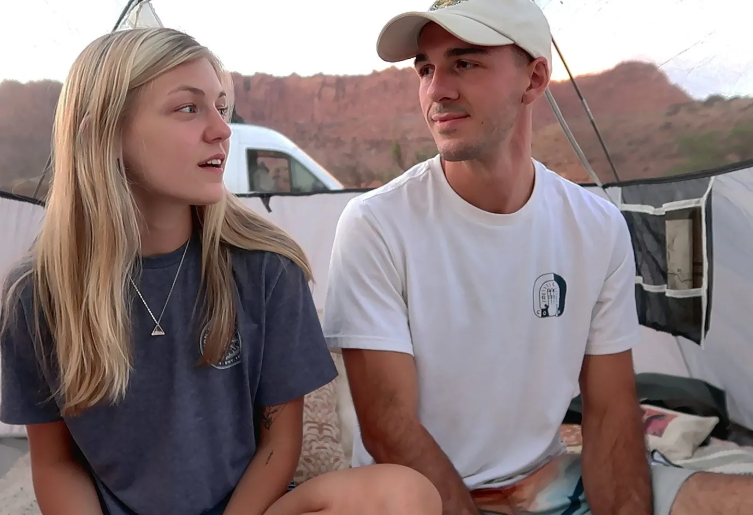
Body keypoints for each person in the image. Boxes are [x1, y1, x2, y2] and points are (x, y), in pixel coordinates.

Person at [322, 1, 753, 515]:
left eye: (465, 63)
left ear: (534, 78)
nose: (437, 90)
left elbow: (611, 413)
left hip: (545, 482)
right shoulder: (376, 224)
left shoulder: (595, 227)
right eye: (426, 69)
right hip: (417, 496)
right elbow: (389, 428)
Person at [0, 27, 441, 515]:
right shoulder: (38, 293)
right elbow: (55, 463)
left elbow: (279, 444)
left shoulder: (267, 266)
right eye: (189, 108)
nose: (221, 129)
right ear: (103, 135)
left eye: (221, 106)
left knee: (406, 495)